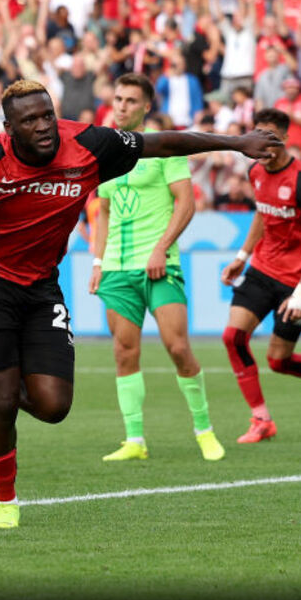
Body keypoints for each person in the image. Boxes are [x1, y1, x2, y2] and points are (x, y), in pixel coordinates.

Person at [0, 80, 280, 529]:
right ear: (11, 128)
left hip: (41, 286)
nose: (43, 126)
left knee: (53, 407)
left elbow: (162, 144)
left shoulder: (88, 144)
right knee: (4, 399)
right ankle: (5, 502)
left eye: (47, 114)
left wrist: (237, 143)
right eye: (29, 120)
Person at [87, 74, 224, 463]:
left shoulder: (165, 150)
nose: (122, 106)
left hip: (159, 265)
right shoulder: (103, 155)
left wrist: (161, 249)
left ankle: (204, 430)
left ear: (146, 107)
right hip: (116, 268)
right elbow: (104, 213)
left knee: (178, 347)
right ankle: (135, 440)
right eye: (117, 99)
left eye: (131, 100)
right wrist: (98, 262)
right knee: (123, 351)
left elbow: (186, 203)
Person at [218, 108, 301, 443]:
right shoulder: (255, 172)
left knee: (278, 360)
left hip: (297, 279)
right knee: (233, 337)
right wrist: (241, 257)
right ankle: (261, 419)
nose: (265, 144)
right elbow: (263, 213)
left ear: (286, 138)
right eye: (259, 136)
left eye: (272, 137)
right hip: (262, 269)